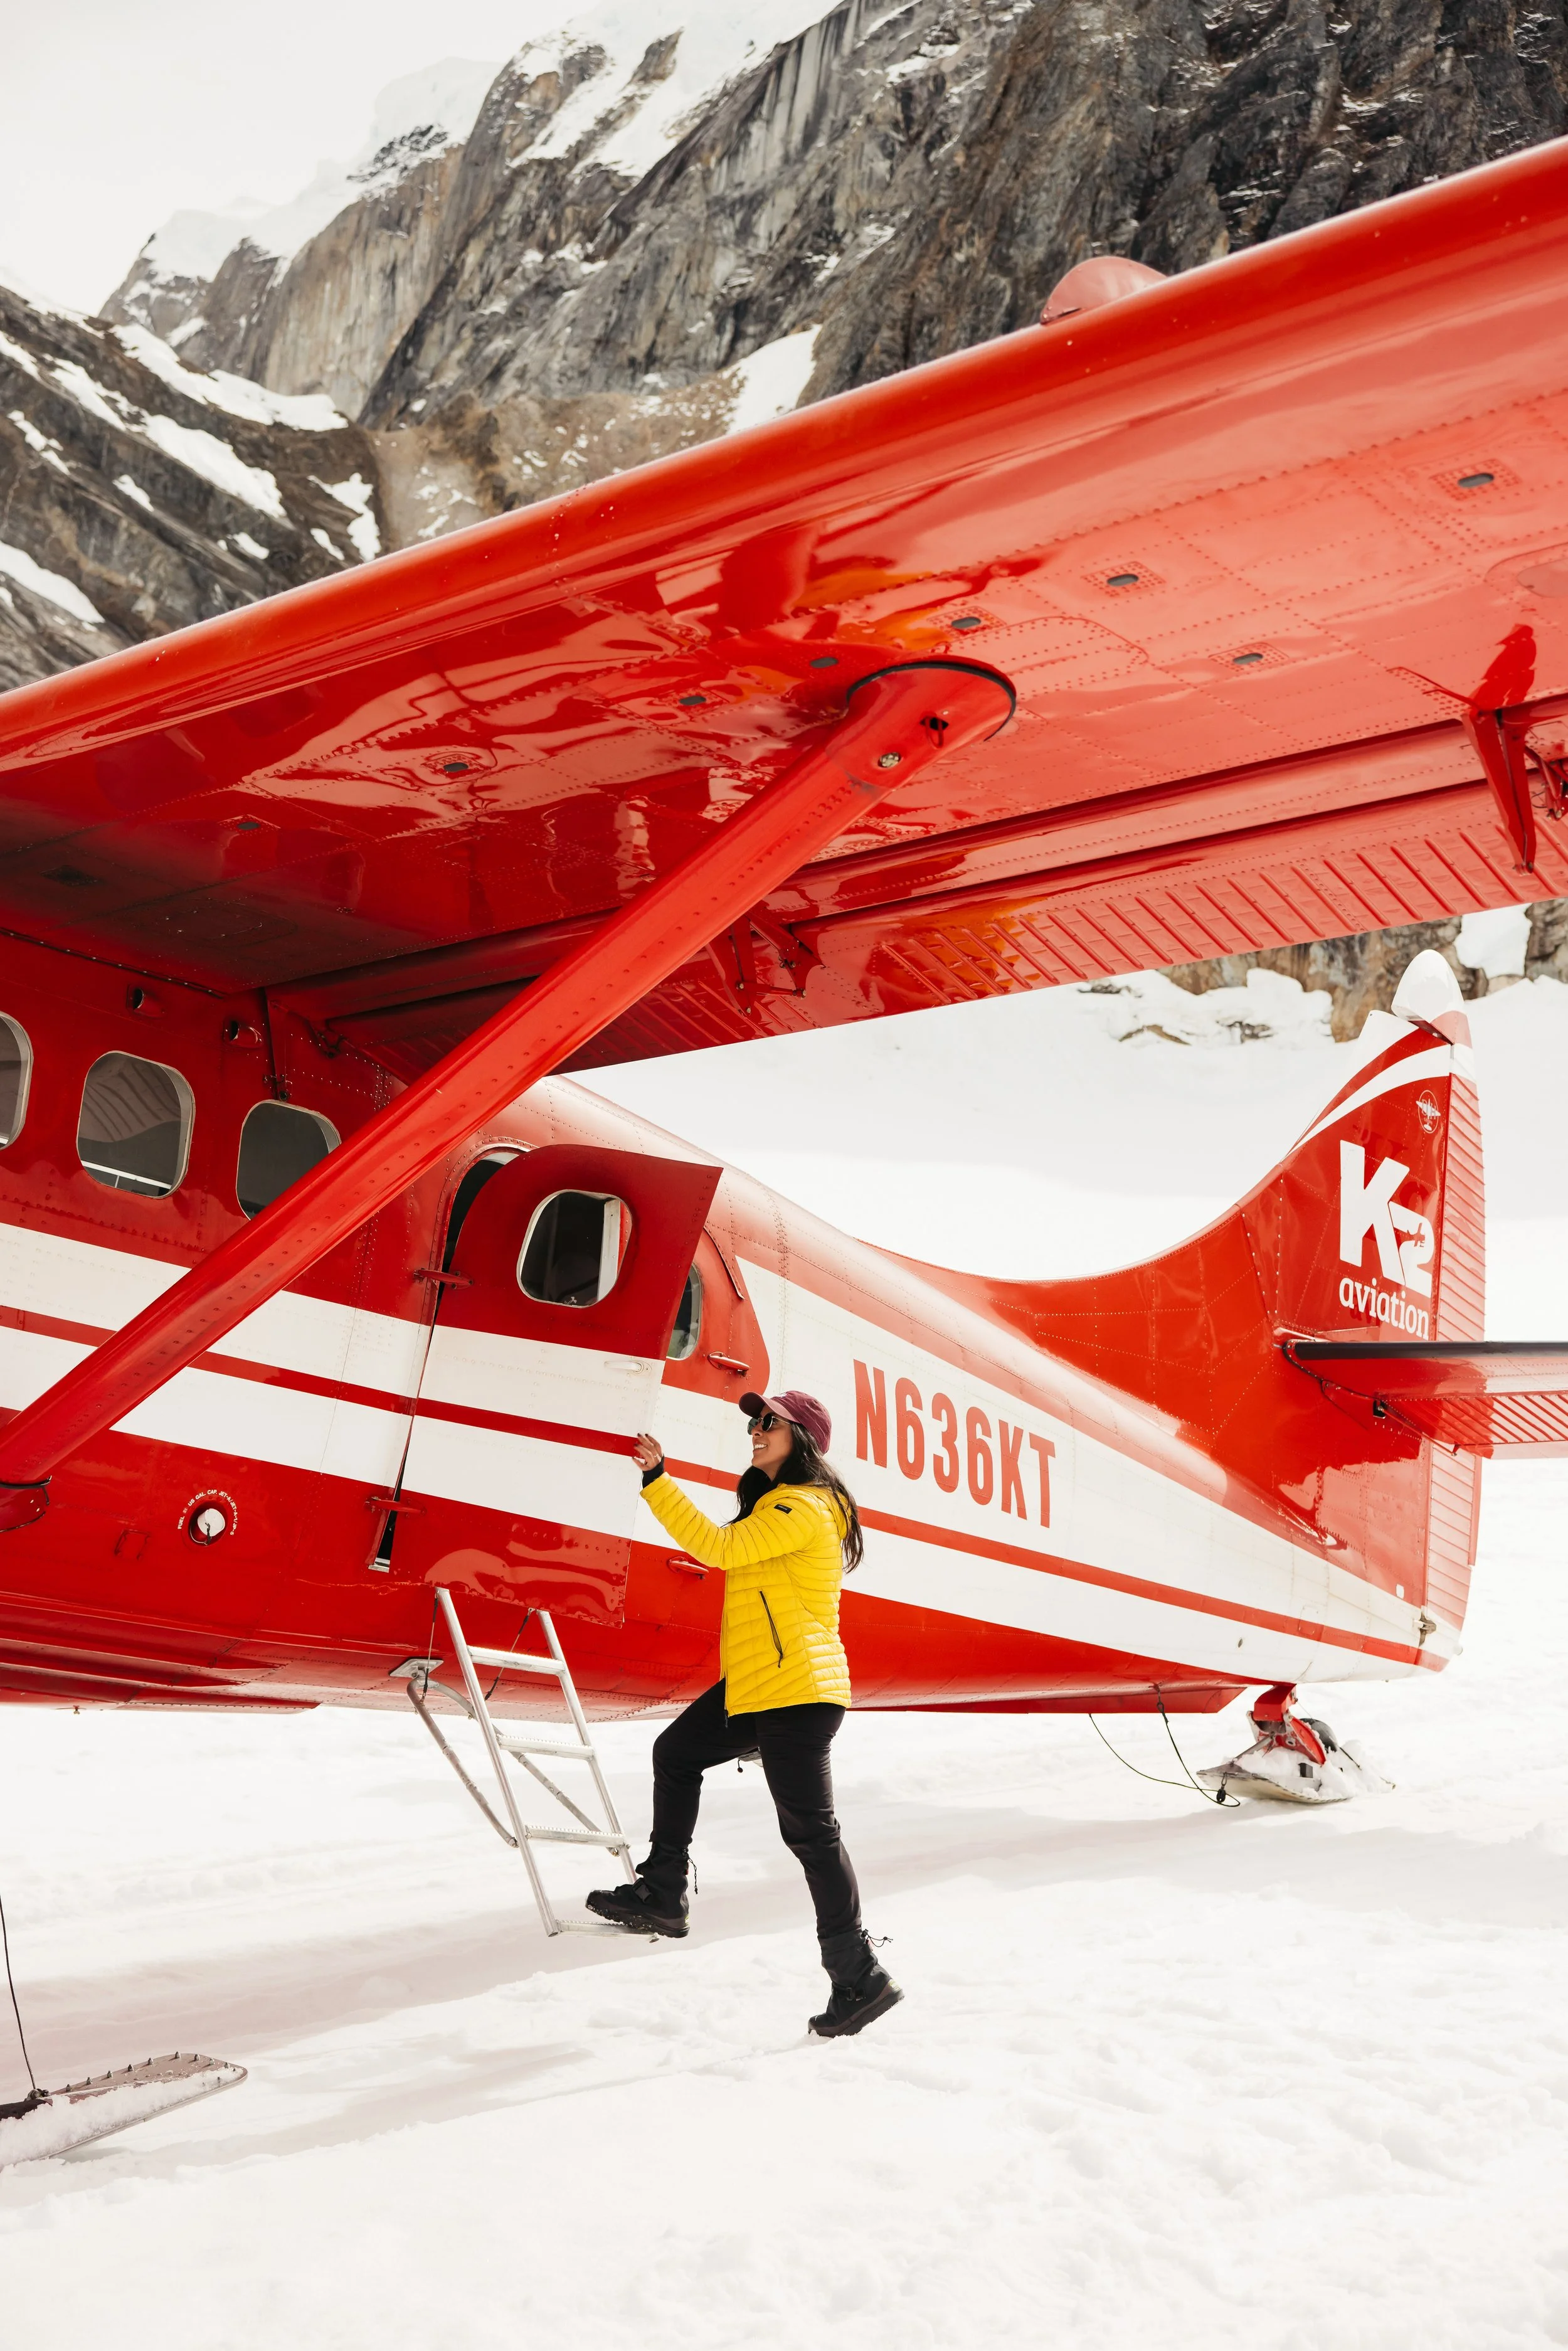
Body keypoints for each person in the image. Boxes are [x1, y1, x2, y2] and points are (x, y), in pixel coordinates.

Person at [587, 1389, 903, 2039]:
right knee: (675, 1755)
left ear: (802, 1440)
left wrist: (656, 1479)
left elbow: (714, 1546)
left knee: (812, 1836)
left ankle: (858, 1976)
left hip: (797, 1691)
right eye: (755, 1422)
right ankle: (663, 1893)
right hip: (761, 1688)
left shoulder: (802, 1505)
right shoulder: (781, 1504)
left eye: (769, 1423)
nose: (755, 1431)